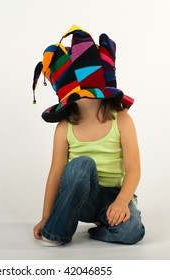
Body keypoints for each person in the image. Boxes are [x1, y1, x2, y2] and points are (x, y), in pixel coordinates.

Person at [32, 25, 145, 246]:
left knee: (133, 232)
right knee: (82, 164)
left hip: (113, 199)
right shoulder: (65, 127)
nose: (86, 94)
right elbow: (56, 173)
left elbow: (134, 169)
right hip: (78, 199)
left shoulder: (121, 120)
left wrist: (122, 202)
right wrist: (46, 217)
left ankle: (101, 231)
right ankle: (57, 231)